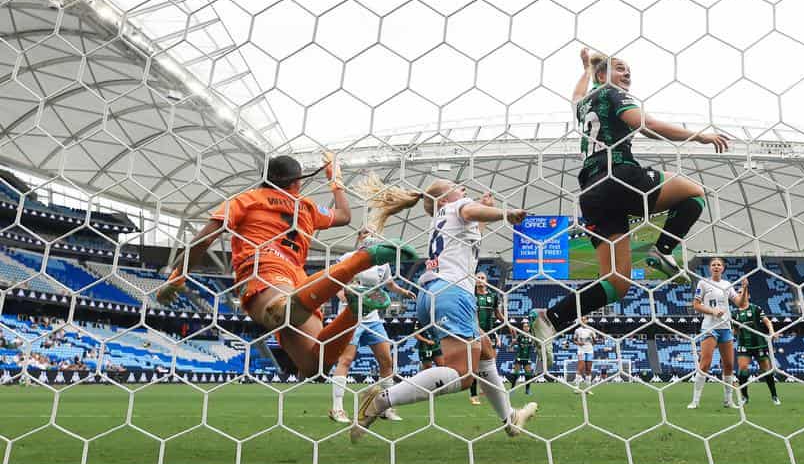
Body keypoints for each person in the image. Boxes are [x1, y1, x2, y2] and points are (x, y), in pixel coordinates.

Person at [530, 49, 730, 357]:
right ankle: (662, 250)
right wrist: (698, 136)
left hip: (591, 192)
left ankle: (552, 318)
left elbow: (575, 95)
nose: (627, 74)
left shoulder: (585, 104)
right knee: (694, 192)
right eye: (620, 68)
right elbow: (643, 124)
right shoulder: (613, 94)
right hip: (620, 176)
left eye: (629, 70)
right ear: (603, 77)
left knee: (617, 282)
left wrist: (586, 69)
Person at [158, 154, 417, 378]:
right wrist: (335, 180)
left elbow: (205, 238)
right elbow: (344, 216)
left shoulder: (246, 199)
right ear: (297, 182)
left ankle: (360, 259)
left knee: (279, 313)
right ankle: (356, 309)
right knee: (316, 365)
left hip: (264, 270)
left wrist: (178, 275)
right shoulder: (305, 206)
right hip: (298, 280)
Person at [352, 180, 537, 441]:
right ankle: (383, 399)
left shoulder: (442, 220)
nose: (462, 188)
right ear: (443, 199)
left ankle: (510, 419)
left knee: (485, 347)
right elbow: (469, 212)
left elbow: (472, 227)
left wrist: (484, 211)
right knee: (463, 375)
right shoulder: (456, 207)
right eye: (456, 186)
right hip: (453, 293)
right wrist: (505, 214)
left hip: (432, 293)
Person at [329, 228, 416, 423]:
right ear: (358, 237)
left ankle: (385, 407)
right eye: (366, 233)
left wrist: (404, 292)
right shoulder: (349, 257)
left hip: (373, 318)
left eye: (374, 233)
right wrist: (343, 295)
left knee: (386, 361)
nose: (370, 236)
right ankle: (337, 408)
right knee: (346, 359)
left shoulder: (382, 262)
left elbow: (390, 285)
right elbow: (336, 282)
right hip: (350, 315)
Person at [688, 257, 741, 409]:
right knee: (705, 364)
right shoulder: (703, 283)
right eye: (713, 265)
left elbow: (741, 304)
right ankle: (695, 401)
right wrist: (712, 311)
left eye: (719, 265)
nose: (716, 267)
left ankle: (728, 400)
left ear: (723, 268)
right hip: (710, 328)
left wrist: (744, 291)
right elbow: (696, 305)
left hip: (725, 328)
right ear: (710, 268)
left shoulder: (727, 285)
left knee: (729, 365)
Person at [731, 282, 779, 405]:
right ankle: (745, 396)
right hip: (743, 344)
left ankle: (774, 396)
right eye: (739, 293)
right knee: (742, 369)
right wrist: (730, 334)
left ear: (749, 295)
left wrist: (772, 332)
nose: (741, 294)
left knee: (766, 370)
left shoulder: (756, 308)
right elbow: (735, 331)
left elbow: (767, 321)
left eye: (743, 292)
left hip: (759, 344)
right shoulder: (734, 313)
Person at [470, 272, 504, 405]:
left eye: (482, 278)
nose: (480, 280)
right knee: (474, 364)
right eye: (477, 278)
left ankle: (486, 389)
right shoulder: (472, 296)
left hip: (489, 334)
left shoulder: (493, 296)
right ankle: (473, 394)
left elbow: (497, 313)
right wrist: (478, 329)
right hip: (475, 333)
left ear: (486, 280)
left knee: (490, 363)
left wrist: (508, 324)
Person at [511, 319, 537, 395]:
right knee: (516, 374)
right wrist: (510, 347)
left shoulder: (531, 336)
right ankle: (512, 389)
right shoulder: (520, 336)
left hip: (527, 358)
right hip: (519, 357)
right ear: (523, 328)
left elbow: (535, 343)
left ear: (529, 328)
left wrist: (536, 347)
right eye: (524, 326)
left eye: (527, 326)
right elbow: (514, 341)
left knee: (528, 374)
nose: (526, 328)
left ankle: (527, 390)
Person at [573, 323, 596, 394]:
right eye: (582, 319)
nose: (583, 321)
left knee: (588, 369)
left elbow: (594, 342)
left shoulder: (591, 330)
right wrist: (578, 343)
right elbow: (574, 340)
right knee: (581, 367)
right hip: (581, 350)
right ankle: (576, 388)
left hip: (590, 350)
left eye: (585, 319)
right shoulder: (577, 330)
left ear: (587, 321)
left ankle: (588, 389)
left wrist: (593, 338)